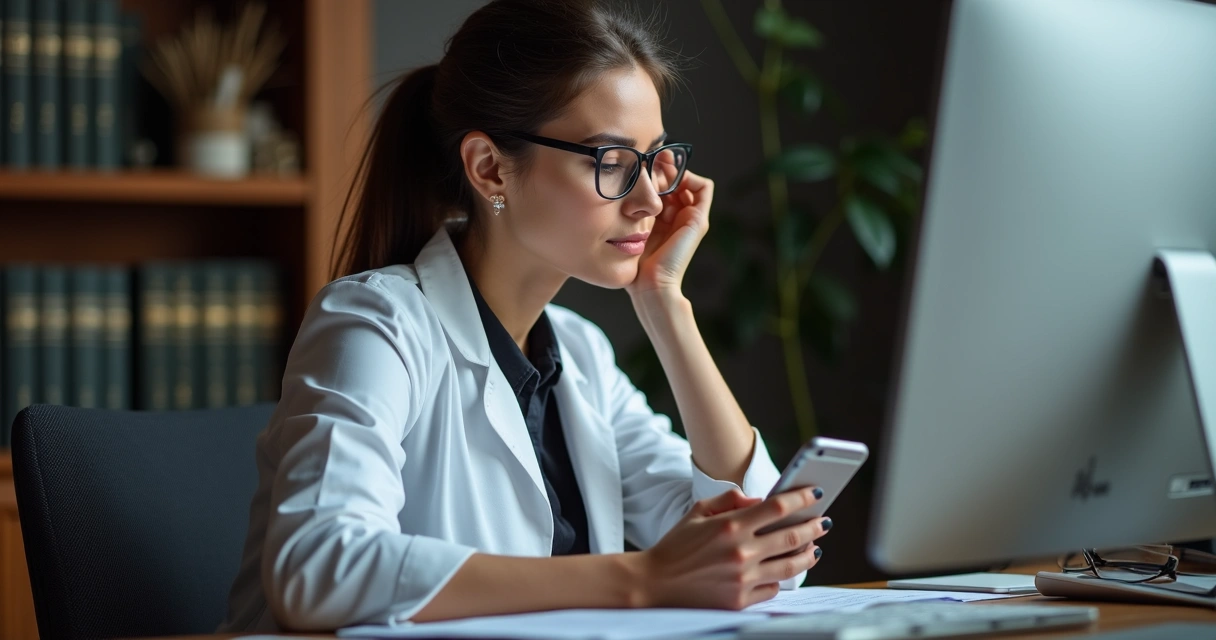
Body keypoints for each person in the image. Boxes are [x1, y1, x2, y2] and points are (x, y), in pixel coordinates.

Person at [219, 0, 830, 632]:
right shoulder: (375, 324)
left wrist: (665, 305)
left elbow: (768, 555)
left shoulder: (581, 353)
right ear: (490, 169)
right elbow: (318, 567)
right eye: (611, 162)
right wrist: (639, 578)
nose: (651, 199)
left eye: (654, 160)